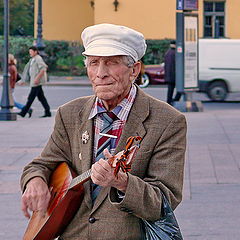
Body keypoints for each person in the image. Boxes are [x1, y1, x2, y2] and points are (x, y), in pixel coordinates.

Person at [20, 24, 187, 240]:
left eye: (111, 63)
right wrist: (34, 181)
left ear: (134, 70)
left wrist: (123, 183)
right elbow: (42, 165)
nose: (100, 74)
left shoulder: (168, 121)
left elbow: (164, 201)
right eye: (94, 63)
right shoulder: (70, 113)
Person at [17, 46, 51, 118]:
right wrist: (24, 80)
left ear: (35, 52)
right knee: (41, 98)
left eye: (31, 51)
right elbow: (28, 71)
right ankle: (48, 111)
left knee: (30, 98)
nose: (30, 53)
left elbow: (43, 68)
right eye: (29, 52)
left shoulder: (38, 58)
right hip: (34, 82)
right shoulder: (32, 59)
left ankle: (24, 112)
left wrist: (37, 79)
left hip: (36, 83)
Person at [165, 40, 182, 105]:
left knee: (170, 89)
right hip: (175, 75)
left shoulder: (167, 53)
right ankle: (175, 100)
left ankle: (169, 101)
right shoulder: (176, 53)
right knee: (180, 89)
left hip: (169, 74)